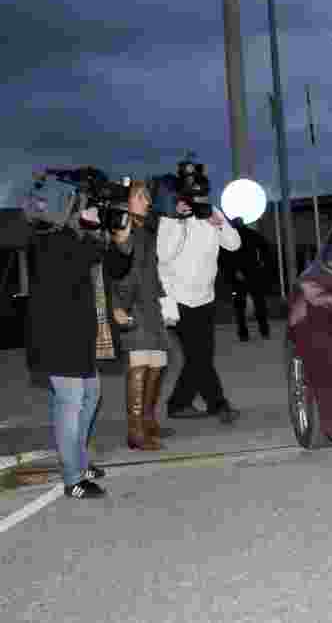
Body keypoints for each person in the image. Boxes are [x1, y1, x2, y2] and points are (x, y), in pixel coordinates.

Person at [24, 196, 134, 499]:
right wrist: (97, 228)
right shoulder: (50, 239)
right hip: (57, 337)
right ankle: (73, 478)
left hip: (82, 335)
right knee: (70, 402)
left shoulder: (80, 240)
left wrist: (121, 240)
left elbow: (116, 266)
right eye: (83, 208)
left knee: (90, 395)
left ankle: (80, 462)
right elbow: (82, 255)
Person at [158, 193, 242, 423]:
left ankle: (180, 403)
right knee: (199, 356)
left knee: (200, 356)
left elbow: (234, 245)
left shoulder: (211, 213)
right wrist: (179, 221)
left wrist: (221, 223)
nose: (200, 202)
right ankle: (217, 404)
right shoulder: (170, 219)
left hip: (205, 298)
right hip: (177, 298)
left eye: (204, 197)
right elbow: (163, 256)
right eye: (196, 197)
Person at [111, 181, 175, 450]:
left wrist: (166, 302)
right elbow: (116, 270)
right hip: (132, 304)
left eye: (147, 197)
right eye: (140, 197)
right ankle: (135, 432)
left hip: (150, 304)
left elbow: (150, 271)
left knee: (158, 362)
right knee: (139, 364)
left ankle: (147, 421)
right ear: (126, 201)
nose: (147, 202)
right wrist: (118, 305)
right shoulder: (123, 228)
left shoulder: (146, 229)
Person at [224, 217, 271, 342]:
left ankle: (243, 333)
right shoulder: (252, 234)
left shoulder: (230, 237)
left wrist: (233, 272)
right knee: (259, 302)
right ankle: (264, 330)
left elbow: (227, 258)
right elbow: (266, 246)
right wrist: (262, 263)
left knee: (240, 306)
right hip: (253, 272)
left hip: (238, 275)